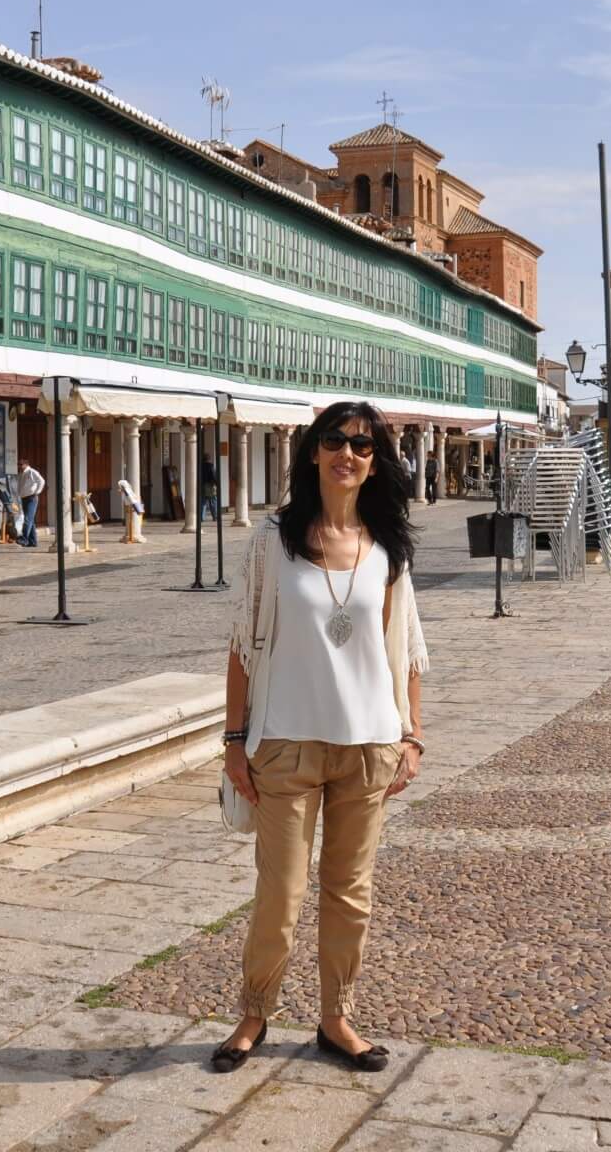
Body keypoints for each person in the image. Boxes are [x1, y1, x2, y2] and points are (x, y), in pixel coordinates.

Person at [212, 401, 426, 1076]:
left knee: (350, 892)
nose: (349, 454)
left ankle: (337, 1018)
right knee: (280, 893)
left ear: (375, 461)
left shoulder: (386, 547)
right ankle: (254, 1011)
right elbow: (243, 645)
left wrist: (411, 737)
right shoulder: (273, 542)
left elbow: (406, 649)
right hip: (286, 744)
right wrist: (234, 740)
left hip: (368, 747)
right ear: (313, 452)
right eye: (335, 441)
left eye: (363, 446)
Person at [15, 455, 44, 548]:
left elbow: (41, 481)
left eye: (21, 464)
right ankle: (33, 541)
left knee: (27, 519)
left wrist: (37, 492)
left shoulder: (32, 472)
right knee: (31, 520)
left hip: (32, 498)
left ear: (26, 464)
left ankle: (24, 538)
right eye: (18, 464)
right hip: (24, 498)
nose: (19, 466)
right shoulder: (21, 474)